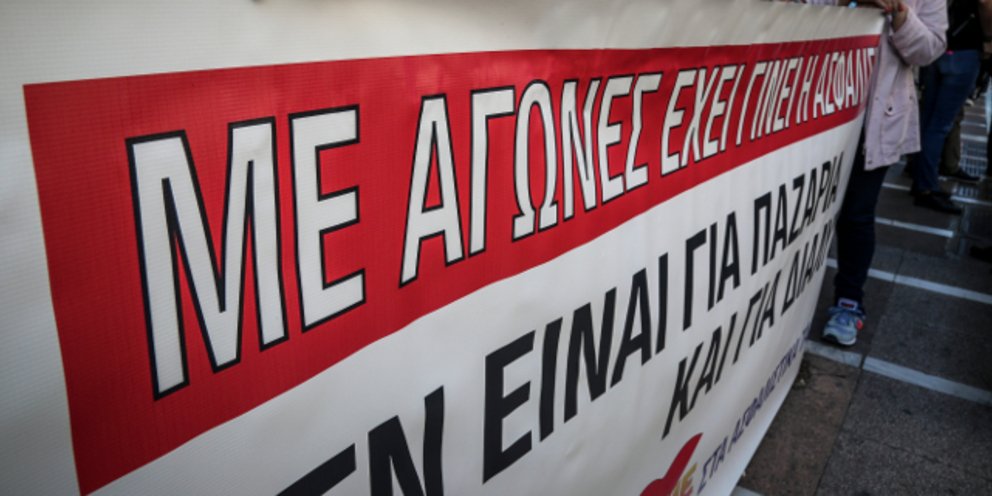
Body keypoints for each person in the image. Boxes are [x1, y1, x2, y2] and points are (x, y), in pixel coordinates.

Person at [806, 0, 947, 346]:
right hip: (813, 110)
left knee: (856, 214)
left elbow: (928, 50)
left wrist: (899, 12)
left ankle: (848, 302)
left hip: (875, 120)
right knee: (804, 212)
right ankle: (788, 303)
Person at [913, 0, 992, 212]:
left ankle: (921, 178)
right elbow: (985, 2)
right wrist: (988, 39)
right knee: (939, 125)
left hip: (937, 45)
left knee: (928, 119)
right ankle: (926, 187)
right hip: (965, 48)